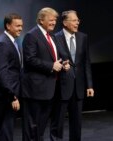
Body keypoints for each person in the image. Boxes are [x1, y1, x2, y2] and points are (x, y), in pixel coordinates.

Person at [21, 7, 69, 141]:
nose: (54, 22)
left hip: (49, 89)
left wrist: (62, 63)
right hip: (35, 90)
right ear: (41, 20)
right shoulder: (31, 35)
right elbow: (30, 59)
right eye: (51, 20)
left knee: (41, 127)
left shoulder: (52, 36)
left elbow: (54, 58)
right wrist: (51, 66)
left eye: (55, 20)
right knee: (32, 127)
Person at [50, 10, 94, 141]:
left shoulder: (83, 37)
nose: (77, 23)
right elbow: (53, 60)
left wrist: (89, 85)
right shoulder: (55, 38)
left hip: (78, 87)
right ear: (65, 22)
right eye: (74, 20)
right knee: (57, 122)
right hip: (62, 86)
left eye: (78, 20)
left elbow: (86, 62)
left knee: (77, 123)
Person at [0, 13, 23, 141]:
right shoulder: (3, 44)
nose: (20, 28)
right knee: (3, 131)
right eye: (17, 26)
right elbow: (2, 73)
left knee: (5, 129)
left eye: (21, 26)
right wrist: (12, 96)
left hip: (6, 94)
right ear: (8, 26)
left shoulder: (12, 42)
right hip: (3, 95)